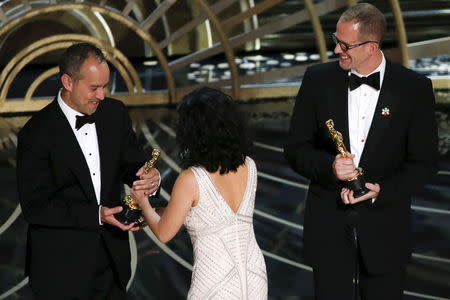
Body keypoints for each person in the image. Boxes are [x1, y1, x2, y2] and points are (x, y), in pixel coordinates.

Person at [284, 3, 437, 300]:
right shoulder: (317, 80)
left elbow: (424, 163)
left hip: (386, 230)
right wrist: (330, 167)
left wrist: (382, 190)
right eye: (336, 40)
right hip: (328, 228)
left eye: (345, 44)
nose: (337, 49)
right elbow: (294, 149)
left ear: (371, 47)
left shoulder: (414, 88)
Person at [16, 43, 160, 299]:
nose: (102, 95)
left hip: (112, 262)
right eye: (94, 88)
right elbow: (35, 206)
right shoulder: (36, 133)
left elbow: (132, 163)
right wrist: (97, 214)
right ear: (68, 82)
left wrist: (149, 176)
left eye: (105, 86)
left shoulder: (114, 113)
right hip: (61, 269)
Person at [131, 87, 268, 299]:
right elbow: (210, 214)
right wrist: (159, 210)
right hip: (255, 275)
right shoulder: (249, 165)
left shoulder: (191, 178)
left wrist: (143, 203)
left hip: (215, 282)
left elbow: (164, 232)